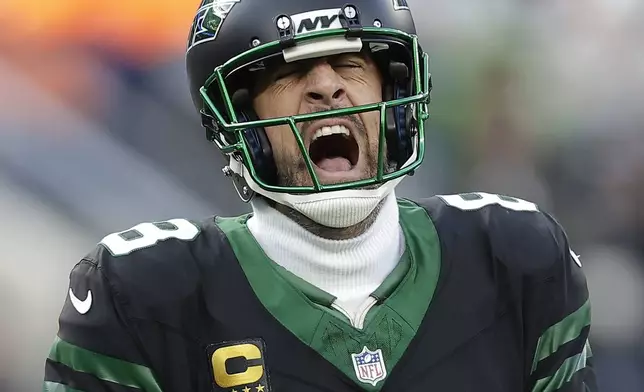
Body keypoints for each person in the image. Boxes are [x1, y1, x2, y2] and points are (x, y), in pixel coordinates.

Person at [43, 0, 598, 391]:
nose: (327, 86)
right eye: (292, 71)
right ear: (242, 116)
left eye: (352, 64)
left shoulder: (512, 256)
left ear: (397, 93)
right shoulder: (145, 289)